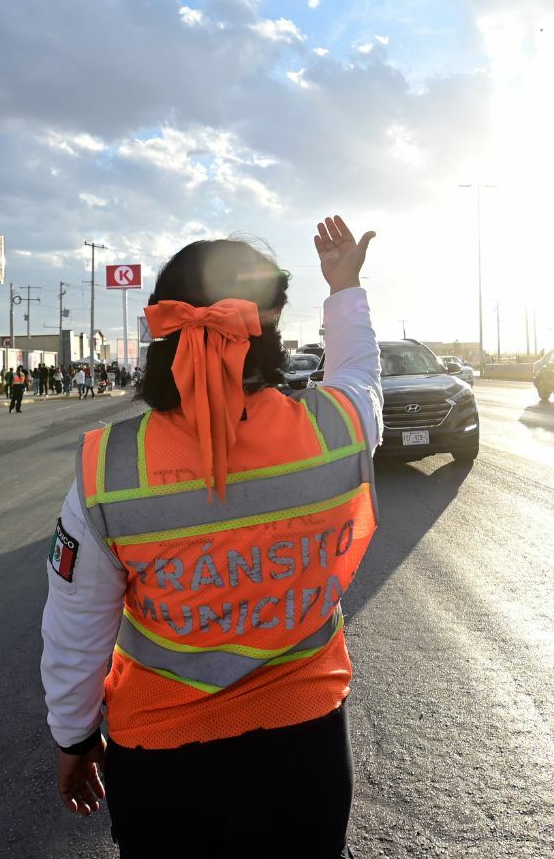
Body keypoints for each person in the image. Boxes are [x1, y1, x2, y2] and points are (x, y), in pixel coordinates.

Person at [40, 216, 381, 857]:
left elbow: (75, 629)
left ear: (161, 332)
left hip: (164, 764)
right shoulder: (337, 428)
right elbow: (362, 375)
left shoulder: (110, 467)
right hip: (304, 750)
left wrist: (75, 739)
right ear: (268, 330)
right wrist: (344, 288)